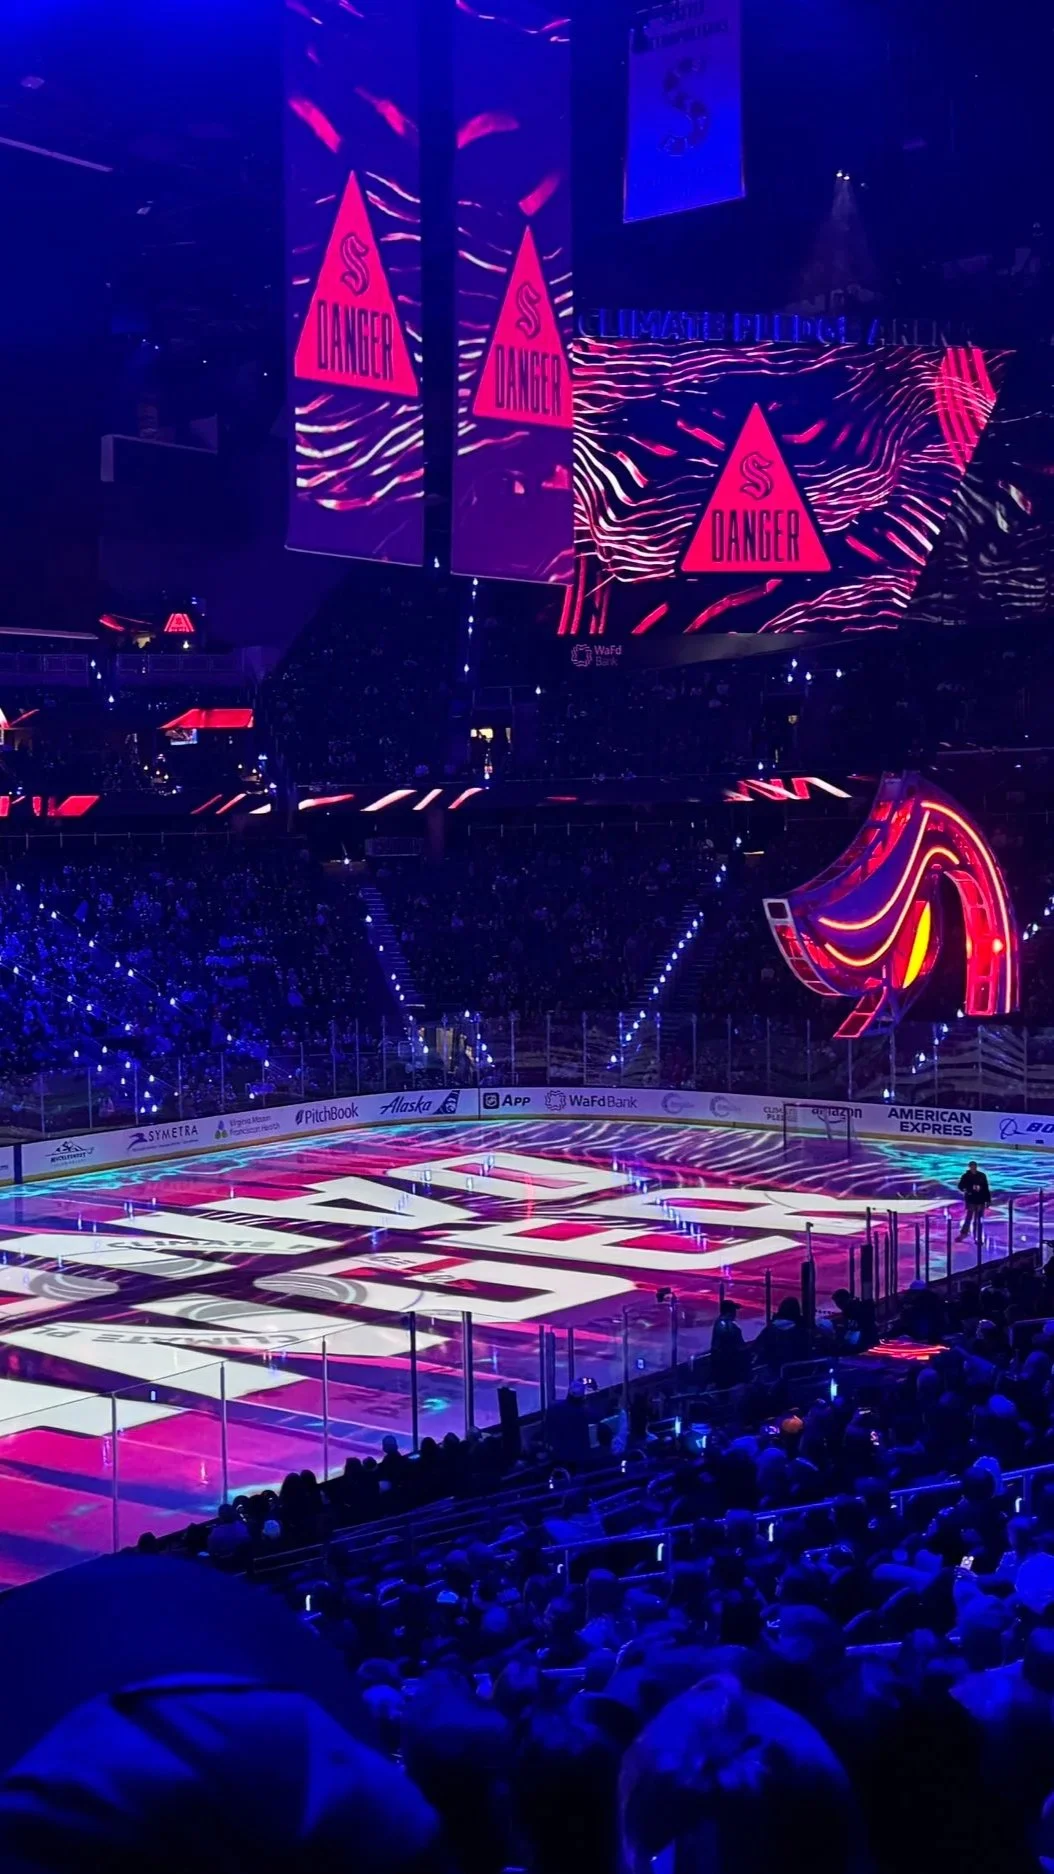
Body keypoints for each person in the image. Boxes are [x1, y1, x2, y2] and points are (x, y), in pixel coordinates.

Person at [709, 1299, 748, 1389]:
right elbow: (737, 1346)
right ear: (730, 1311)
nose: (735, 1313)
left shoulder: (719, 1323)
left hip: (720, 1364)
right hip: (729, 1365)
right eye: (734, 1310)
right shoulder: (729, 1326)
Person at [957, 1161, 992, 1242]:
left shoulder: (982, 1175)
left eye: (974, 1166)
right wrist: (967, 1190)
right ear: (969, 1167)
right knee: (969, 1217)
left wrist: (988, 1200)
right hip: (971, 1200)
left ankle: (978, 1235)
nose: (973, 1167)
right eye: (972, 1166)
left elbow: (986, 1188)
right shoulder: (966, 1176)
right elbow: (960, 1186)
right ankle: (964, 1233)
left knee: (979, 1218)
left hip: (980, 1200)